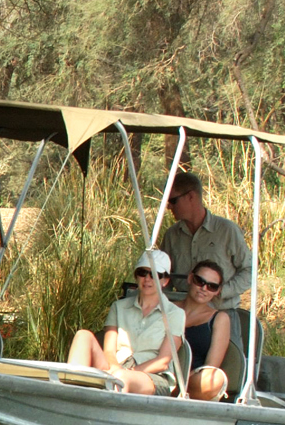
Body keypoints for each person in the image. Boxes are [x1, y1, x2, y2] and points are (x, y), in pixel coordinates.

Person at [68, 249, 184, 395]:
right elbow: (109, 350)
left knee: (121, 378)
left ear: (165, 281)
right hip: (116, 367)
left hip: (152, 376)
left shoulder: (175, 314)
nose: (147, 279)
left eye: (155, 274)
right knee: (82, 335)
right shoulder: (119, 307)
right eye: (143, 273)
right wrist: (115, 368)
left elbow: (163, 361)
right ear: (136, 276)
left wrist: (126, 372)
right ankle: (71, 394)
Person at [160, 172, 253, 309]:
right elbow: (164, 276)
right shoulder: (171, 235)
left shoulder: (227, 230)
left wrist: (220, 291)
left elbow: (249, 270)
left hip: (222, 312)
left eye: (173, 201)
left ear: (191, 196)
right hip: (182, 314)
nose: (169, 207)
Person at [176, 259, 231, 401]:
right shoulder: (168, 308)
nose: (204, 288)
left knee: (214, 379)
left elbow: (211, 366)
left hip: (194, 381)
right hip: (163, 371)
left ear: (217, 291)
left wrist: (185, 379)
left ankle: (175, 390)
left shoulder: (219, 318)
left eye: (212, 286)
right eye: (199, 281)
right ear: (190, 278)